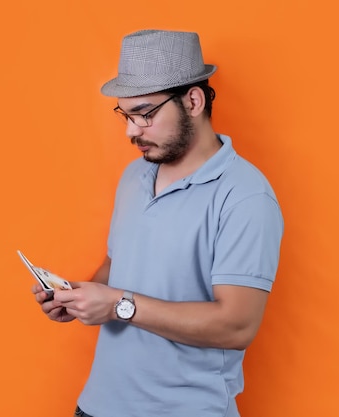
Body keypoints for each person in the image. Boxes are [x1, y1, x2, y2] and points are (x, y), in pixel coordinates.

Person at [32, 29, 284, 417]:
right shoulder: (135, 175)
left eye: (145, 114)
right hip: (97, 405)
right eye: (126, 115)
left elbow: (236, 327)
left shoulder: (245, 196)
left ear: (194, 101)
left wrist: (117, 305)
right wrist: (79, 296)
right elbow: (118, 265)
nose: (132, 131)